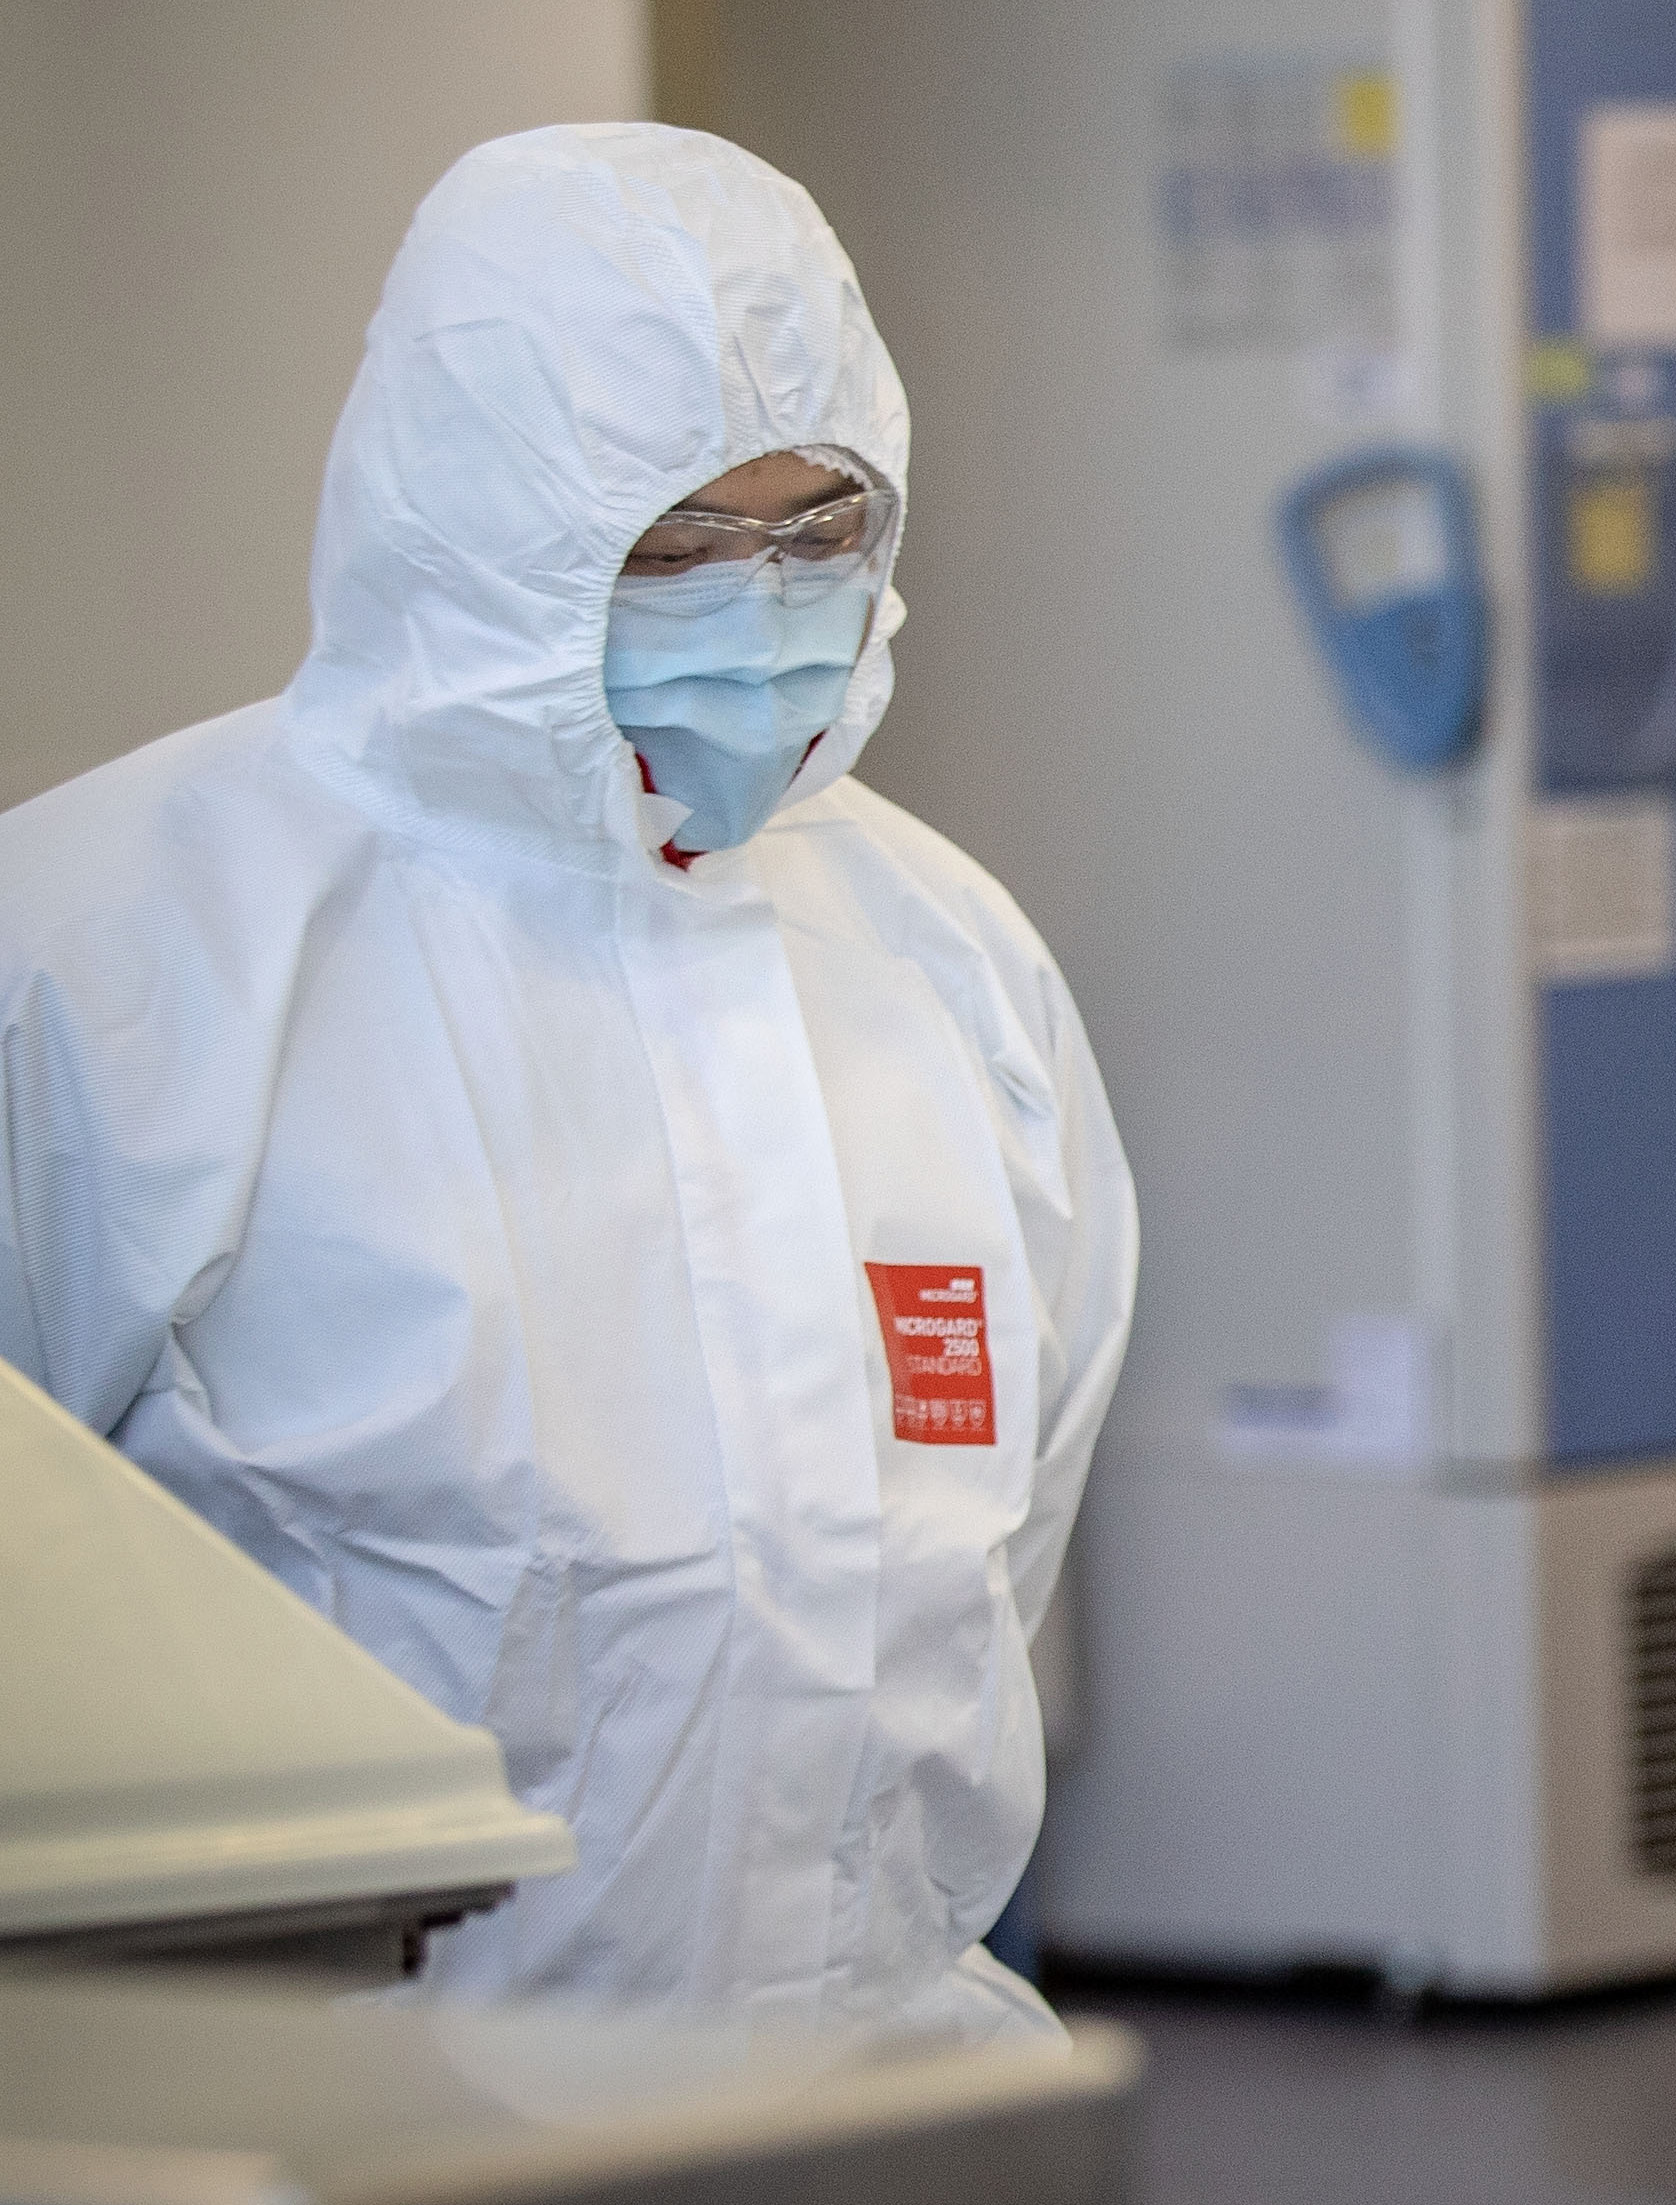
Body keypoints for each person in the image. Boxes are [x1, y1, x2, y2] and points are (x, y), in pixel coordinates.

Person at [0, 126, 1133, 2041]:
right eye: (682, 547)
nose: (764, 612)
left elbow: (997, 1562)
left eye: (820, 536)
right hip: (319, 2158)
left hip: (864, 2140)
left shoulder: (950, 964)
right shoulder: (110, 958)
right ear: (470, 524)